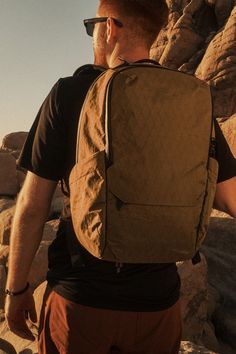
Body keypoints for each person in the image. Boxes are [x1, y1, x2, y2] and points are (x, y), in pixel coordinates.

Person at [4, 1, 236, 353]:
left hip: (82, 302)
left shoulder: (69, 92)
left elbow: (34, 206)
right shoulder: (191, 99)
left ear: (109, 27)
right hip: (158, 305)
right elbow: (229, 199)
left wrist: (16, 289)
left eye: (91, 26)